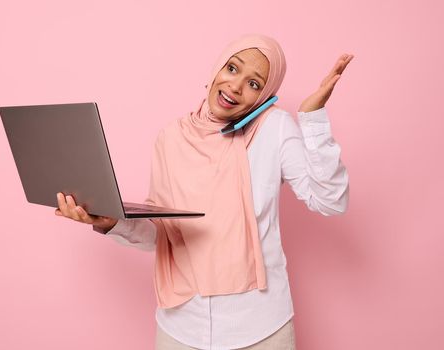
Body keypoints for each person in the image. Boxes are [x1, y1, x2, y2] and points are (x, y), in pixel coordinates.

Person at [55, 33, 353, 350]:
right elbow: (162, 235)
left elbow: (330, 201)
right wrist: (108, 221)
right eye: (232, 68)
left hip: (260, 329)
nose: (236, 86)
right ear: (216, 69)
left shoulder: (274, 128)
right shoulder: (171, 137)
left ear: (265, 96)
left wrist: (313, 119)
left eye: (255, 84)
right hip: (180, 328)